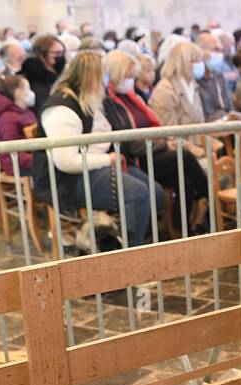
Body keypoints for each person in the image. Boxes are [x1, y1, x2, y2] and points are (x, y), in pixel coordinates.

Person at [32, 48, 164, 246]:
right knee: (137, 194)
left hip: (98, 164)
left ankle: (130, 242)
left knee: (155, 192)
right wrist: (108, 159)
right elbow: (66, 162)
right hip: (68, 179)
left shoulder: (93, 99)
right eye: (104, 74)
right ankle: (126, 255)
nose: (108, 80)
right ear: (92, 78)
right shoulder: (62, 109)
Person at [105, 49, 208, 234]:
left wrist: (164, 141)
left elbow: (150, 126)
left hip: (151, 150)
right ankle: (207, 196)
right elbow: (130, 143)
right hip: (135, 159)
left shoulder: (130, 97)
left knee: (184, 178)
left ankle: (180, 230)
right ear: (116, 73)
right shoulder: (110, 102)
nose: (131, 80)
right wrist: (164, 144)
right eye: (128, 76)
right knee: (184, 157)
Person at [149, 41, 206, 148]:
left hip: (198, 145)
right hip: (180, 151)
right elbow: (170, 133)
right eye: (196, 61)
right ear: (183, 62)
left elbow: (200, 123)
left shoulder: (194, 86)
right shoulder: (165, 90)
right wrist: (192, 148)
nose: (201, 64)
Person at [0, 74, 35, 175]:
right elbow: (12, 149)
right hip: (15, 164)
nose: (31, 93)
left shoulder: (24, 112)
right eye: (28, 89)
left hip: (28, 158)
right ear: (18, 92)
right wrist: (37, 161)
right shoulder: (7, 118)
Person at [195, 31, 233, 121]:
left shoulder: (219, 77)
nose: (220, 54)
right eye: (216, 50)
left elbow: (229, 108)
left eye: (221, 50)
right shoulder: (194, 79)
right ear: (200, 51)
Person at [21, 32, 64, 107]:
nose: (61, 56)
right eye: (57, 53)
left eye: (62, 53)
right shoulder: (34, 79)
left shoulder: (59, 73)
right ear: (42, 54)